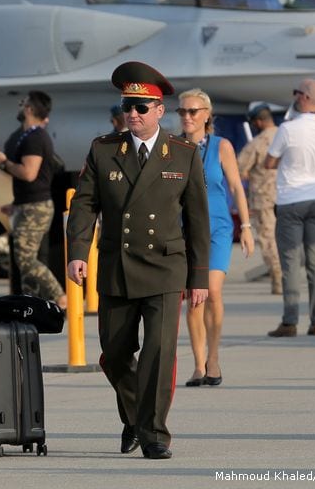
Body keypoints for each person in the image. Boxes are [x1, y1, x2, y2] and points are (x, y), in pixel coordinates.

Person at [65, 62, 209, 461]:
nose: (133, 113)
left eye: (142, 107)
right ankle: (135, 413)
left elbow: (198, 219)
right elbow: (84, 205)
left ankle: (154, 433)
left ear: (159, 111)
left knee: (159, 354)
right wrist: (77, 253)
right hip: (118, 266)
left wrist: (199, 276)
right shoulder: (104, 149)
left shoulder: (183, 154)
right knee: (114, 355)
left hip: (165, 267)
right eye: (127, 106)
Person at [175, 89, 253, 388]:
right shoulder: (173, 147)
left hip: (218, 227)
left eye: (193, 111)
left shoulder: (222, 146)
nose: (187, 116)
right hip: (185, 230)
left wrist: (246, 226)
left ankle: (214, 357)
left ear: (206, 114)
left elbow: (236, 187)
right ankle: (198, 365)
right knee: (194, 298)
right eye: (182, 111)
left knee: (213, 292)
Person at [264, 78, 315, 337]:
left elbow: (269, 162)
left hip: (290, 201)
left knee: (291, 264)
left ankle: (290, 321)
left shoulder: (288, 128)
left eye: (297, 93)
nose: (294, 97)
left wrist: (285, 158)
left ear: (305, 97)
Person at [0, 91, 66, 308]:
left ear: (30, 109)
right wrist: (16, 205)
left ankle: (60, 296)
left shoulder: (35, 138)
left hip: (36, 207)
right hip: (27, 205)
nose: (20, 106)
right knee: (24, 263)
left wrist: (4, 163)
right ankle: (30, 306)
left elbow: (29, 173)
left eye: (23, 103)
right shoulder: (30, 135)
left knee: (26, 259)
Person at [238, 104, 283, 294]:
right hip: (288, 196)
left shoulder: (257, 143)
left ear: (258, 122)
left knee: (269, 240)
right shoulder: (286, 135)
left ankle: (278, 279)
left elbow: (239, 168)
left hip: (264, 199)